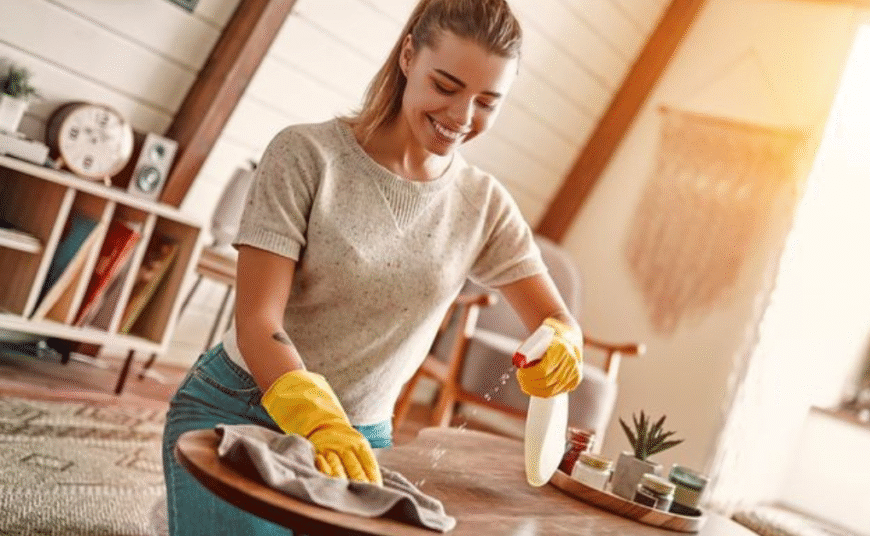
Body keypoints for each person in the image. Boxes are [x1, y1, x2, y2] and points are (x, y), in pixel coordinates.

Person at [160, 0, 585, 534]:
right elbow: (257, 321)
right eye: (446, 86)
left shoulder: (483, 205)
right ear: (408, 56)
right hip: (240, 410)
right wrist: (318, 420)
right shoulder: (305, 154)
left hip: (362, 445)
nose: (461, 117)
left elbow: (556, 320)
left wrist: (562, 342)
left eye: (486, 102)